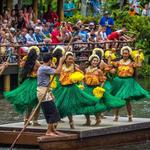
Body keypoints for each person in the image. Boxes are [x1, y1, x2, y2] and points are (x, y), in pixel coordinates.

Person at [52, 52, 107, 129]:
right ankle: (59, 121)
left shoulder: (74, 66)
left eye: (72, 58)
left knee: (69, 105)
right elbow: (57, 73)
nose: (71, 60)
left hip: (71, 88)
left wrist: (78, 80)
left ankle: (70, 122)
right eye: (69, 59)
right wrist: (60, 62)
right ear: (65, 59)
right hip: (62, 88)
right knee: (59, 105)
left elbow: (81, 74)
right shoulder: (62, 66)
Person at [83, 52, 125, 126]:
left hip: (95, 89)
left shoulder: (98, 71)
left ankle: (98, 120)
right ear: (90, 61)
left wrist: (100, 88)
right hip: (87, 88)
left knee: (95, 105)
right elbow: (83, 79)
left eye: (96, 61)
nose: (95, 62)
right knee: (85, 104)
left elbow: (103, 80)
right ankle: (88, 120)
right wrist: (83, 86)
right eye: (94, 60)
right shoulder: (86, 70)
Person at [111, 46, 150, 122]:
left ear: (129, 54)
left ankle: (130, 116)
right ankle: (116, 116)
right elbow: (110, 66)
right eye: (124, 53)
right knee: (118, 99)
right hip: (119, 81)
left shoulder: (132, 63)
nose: (125, 54)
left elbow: (139, 65)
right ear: (122, 54)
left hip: (128, 82)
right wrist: (110, 62)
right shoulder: (119, 62)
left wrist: (138, 57)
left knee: (127, 100)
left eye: (126, 53)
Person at [4, 46, 41, 125]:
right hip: (36, 82)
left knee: (30, 103)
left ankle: (26, 119)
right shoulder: (37, 63)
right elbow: (40, 71)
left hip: (28, 82)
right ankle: (35, 120)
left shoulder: (25, 60)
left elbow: (22, 67)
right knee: (38, 102)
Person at [37, 53, 64, 136]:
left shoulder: (43, 67)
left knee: (51, 110)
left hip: (45, 90)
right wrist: (61, 62)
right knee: (52, 111)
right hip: (43, 91)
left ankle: (53, 130)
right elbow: (57, 72)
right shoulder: (44, 68)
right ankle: (49, 132)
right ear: (49, 61)